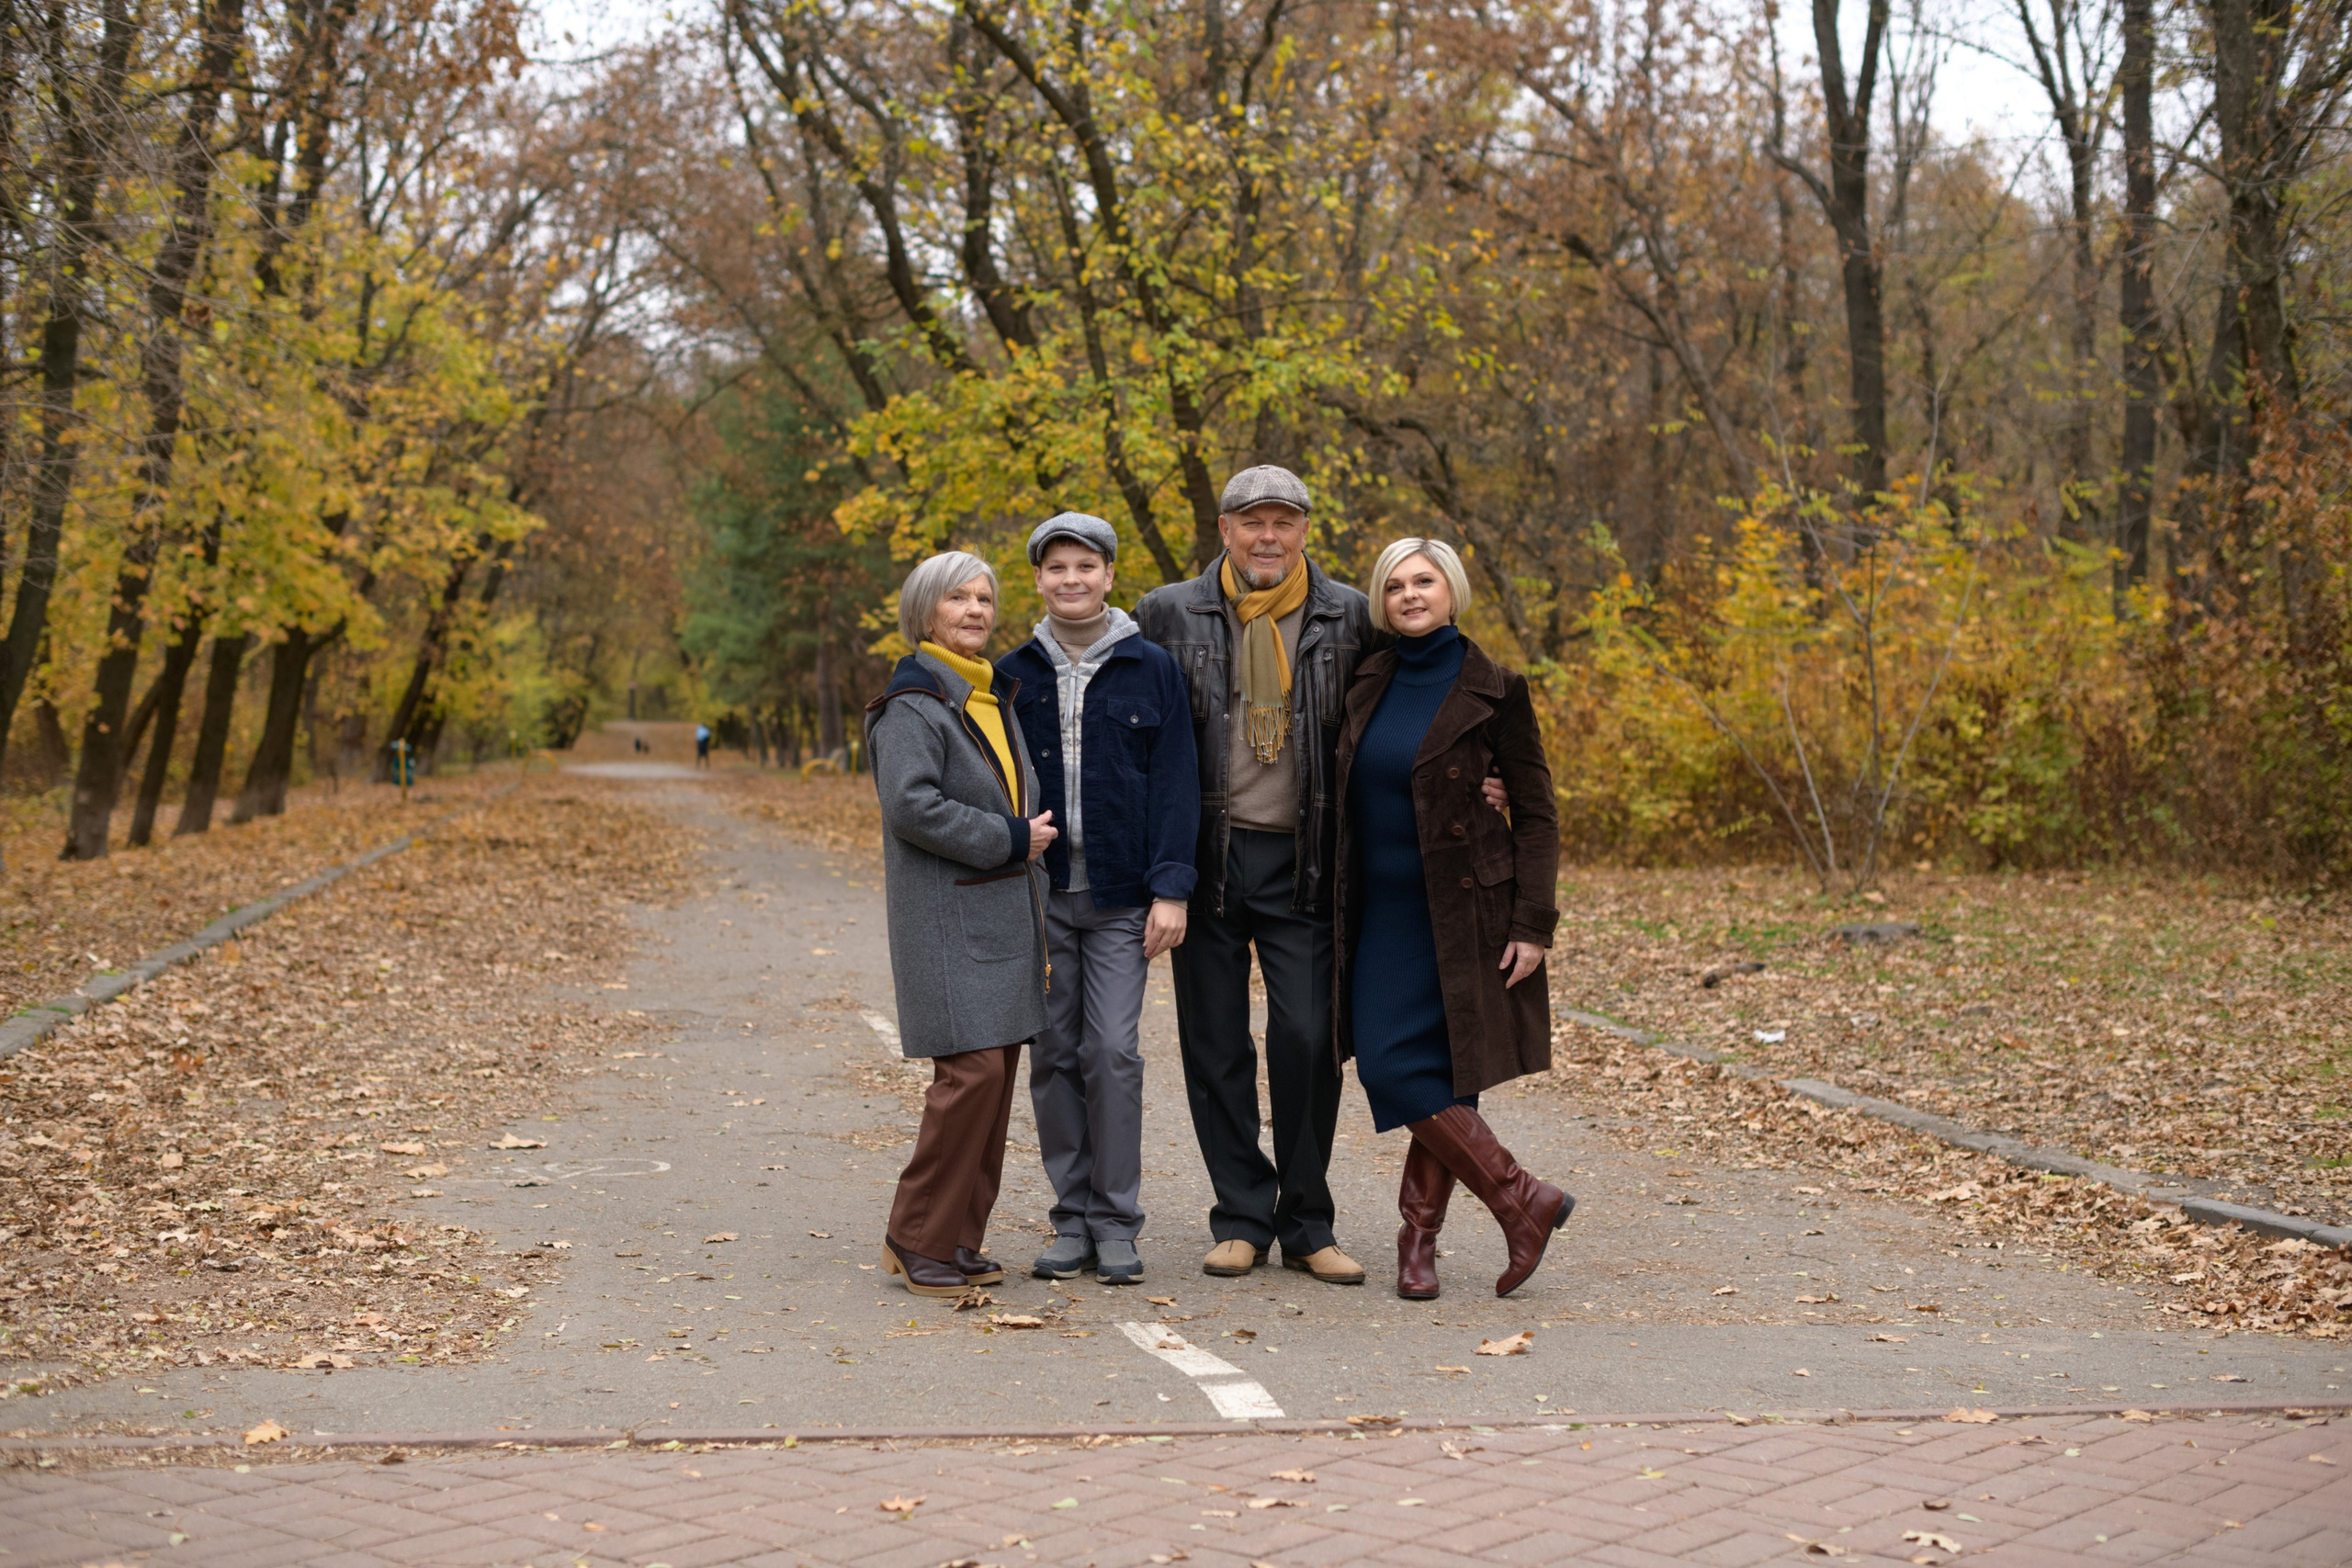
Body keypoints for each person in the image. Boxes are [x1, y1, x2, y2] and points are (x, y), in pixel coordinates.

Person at [1134, 465, 1376, 1285]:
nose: (1267, 536)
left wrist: (1480, 777)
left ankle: (1309, 1221)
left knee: (1308, 1040)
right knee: (1214, 1043)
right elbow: (1123, 726)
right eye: (1251, 521)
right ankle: (1241, 1213)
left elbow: (1401, 715)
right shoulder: (1167, 613)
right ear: (1224, 530)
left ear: (1306, 528)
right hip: (1204, 861)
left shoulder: (1350, 617)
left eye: (1283, 521)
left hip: (1305, 860)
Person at [1333, 538, 1573, 1299]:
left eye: (1424, 581)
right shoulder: (1366, 676)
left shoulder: (1498, 689)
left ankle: (1420, 1244)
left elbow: (1537, 813)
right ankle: (1520, 1196)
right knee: (1390, 1061)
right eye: (1395, 584)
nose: (1410, 595)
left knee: (1443, 1073)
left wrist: (1533, 924)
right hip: (1378, 910)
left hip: (1467, 909)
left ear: (1452, 589)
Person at [998, 513, 1199, 1286]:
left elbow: (1179, 785)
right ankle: (1071, 1217)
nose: (1072, 580)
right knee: (1052, 1053)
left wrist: (1171, 888)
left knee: (1111, 1052)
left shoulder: (1152, 667)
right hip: (1039, 899)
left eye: (1086, 566)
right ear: (1040, 580)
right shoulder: (1012, 672)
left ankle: (1117, 1221)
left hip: (1121, 898)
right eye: (1057, 569)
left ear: (1111, 576)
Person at [863, 551, 1057, 1297]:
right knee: (969, 1076)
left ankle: (953, 1238)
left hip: (1005, 916)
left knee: (995, 1078)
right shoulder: (912, 703)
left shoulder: (988, 697)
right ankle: (919, 1241)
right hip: (947, 920)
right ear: (925, 613)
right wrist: (1011, 837)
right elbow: (910, 805)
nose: (975, 610)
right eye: (957, 599)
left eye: (984, 598)